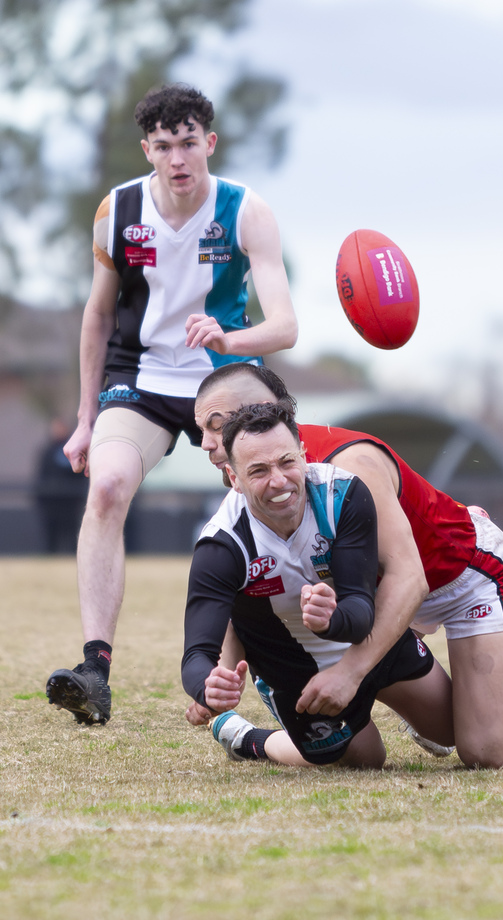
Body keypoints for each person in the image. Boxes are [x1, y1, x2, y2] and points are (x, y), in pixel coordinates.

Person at [45, 83, 298, 725]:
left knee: (272, 499)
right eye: (163, 146)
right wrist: (85, 419)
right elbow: (97, 316)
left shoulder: (246, 211)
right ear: (147, 151)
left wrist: (229, 339)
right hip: (141, 376)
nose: (178, 158)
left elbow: (286, 326)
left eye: (188, 143)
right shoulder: (118, 211)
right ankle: (95, 672)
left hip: (225, 374)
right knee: (106, 489)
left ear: (209, 142)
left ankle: (297, 658)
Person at [185, 363, 503, 767]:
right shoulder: (250, 484)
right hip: (371, 590)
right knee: (354, 758)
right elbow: (241, 587)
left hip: (456, 574)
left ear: (260, 410)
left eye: (215, 425)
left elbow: (410, 579)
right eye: (200, 429)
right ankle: (251, 738)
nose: (205, 443)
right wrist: (217, 679)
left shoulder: (344, 469)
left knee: (487, 751)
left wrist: (350, 673)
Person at [182, 402, 454, 768]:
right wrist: (207, 686)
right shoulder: (222, 544)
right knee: (365, 761)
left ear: (303, 454)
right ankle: (246, 738)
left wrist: (331, 620)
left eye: (287, 462)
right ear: (234, 477)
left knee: (453, 732)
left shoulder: (342, 495)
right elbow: (196, 655)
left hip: (368, 641)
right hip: (293, 668)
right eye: (258, 470)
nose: (279, 481)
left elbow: (360, 608)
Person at [34, 418, 89, 553]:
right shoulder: (48, 451)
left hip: (72, 500)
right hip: (51, 500)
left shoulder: (74, 450)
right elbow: (42, 474)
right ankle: (50, 556)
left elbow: (81, 473)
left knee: (72, 531)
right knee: (51, 532)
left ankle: (73, 555)